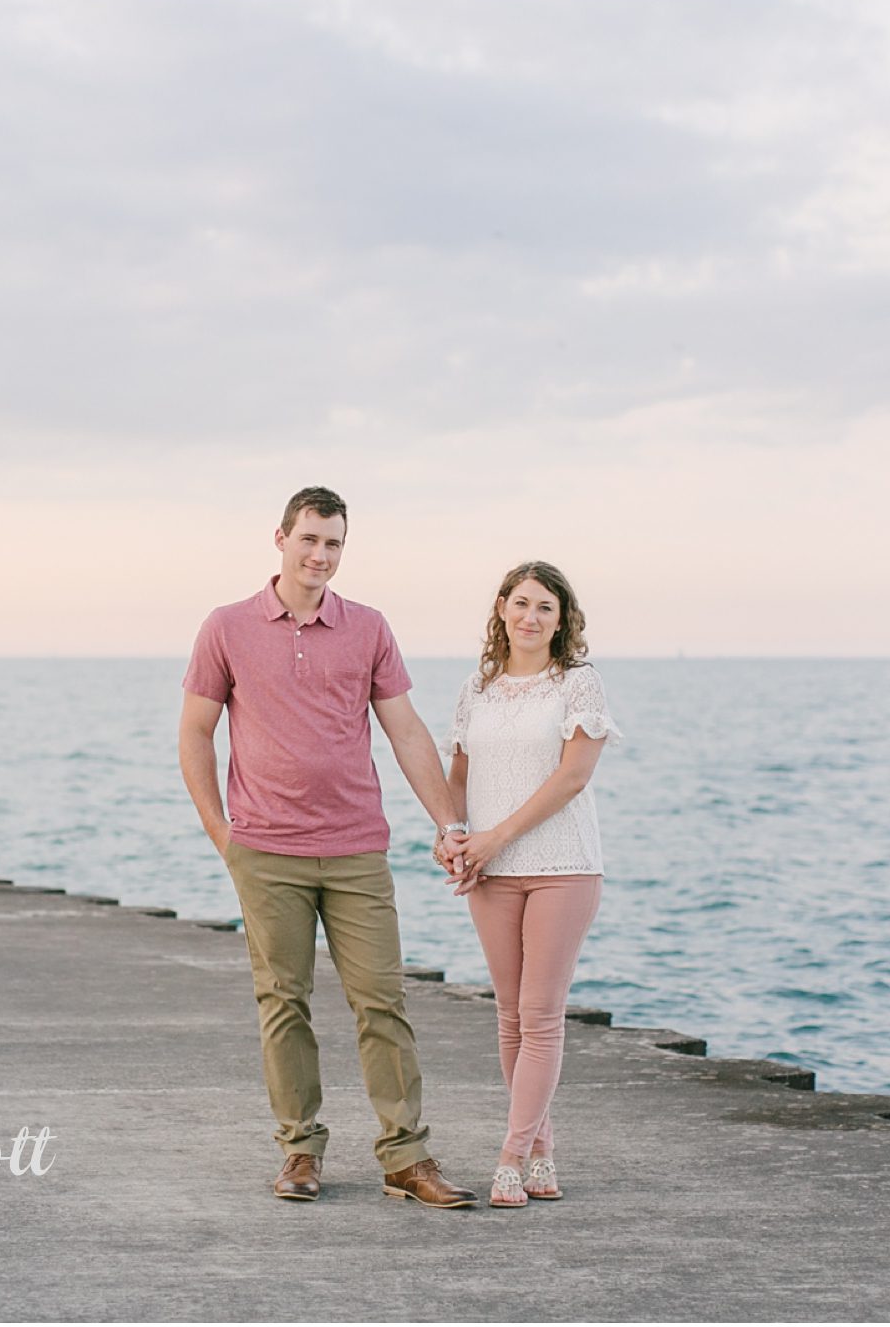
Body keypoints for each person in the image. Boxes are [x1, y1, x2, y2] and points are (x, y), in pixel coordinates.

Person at [178, 486, 480, 1208]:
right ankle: (299, 1151)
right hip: (266, 849)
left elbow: (405, 730)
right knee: (284, 1001)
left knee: (383, 1000)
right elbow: (195, 731)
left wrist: (449, 822)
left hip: (355, 849)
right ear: (280, 538)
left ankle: (406, 1157)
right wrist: (224, 835)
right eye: (310, 539)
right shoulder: (226, 626)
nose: (321, 555)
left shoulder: (368, 627)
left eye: (334, 543)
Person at [435, 561, 619, 1209]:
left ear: (562, 617)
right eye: (520, 603)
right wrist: (453, 831)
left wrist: (495, 835)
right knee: (509, 1016)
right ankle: (540, 1146)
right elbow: (457, 773)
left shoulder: (579, 684)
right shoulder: (476, 687)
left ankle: (509, 1156)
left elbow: (572, 778)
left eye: (545, 606)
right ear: (501, 608)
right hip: (490, 871)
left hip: (563, 866)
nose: (530, 616)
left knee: (541, 1016)